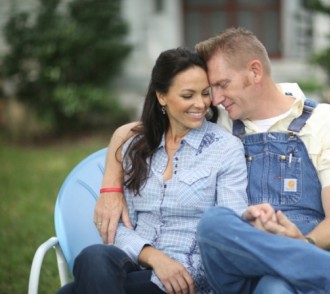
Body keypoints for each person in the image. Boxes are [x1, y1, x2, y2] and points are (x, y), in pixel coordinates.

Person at [94, 28, 330, 294]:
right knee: (214, 223)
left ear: (254, 72)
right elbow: (139, 130)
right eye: (209, 90)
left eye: (221, 85)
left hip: (312, 249)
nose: (212, 100)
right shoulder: (221, 123)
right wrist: (110, 184)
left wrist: (302, 242)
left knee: (274, 288)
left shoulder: (324, 121)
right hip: (237, 264)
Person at [58, 47, 248, 294]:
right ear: (162, 96)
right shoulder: (137, 146)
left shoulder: (225, 149)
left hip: (187, 277)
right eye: (188, 95)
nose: (200, 104)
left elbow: (229, 226)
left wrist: (174, 265)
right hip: (136, 265)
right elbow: (119, 226)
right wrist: (154, 258)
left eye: (205, 93)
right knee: (93, 256)